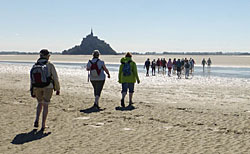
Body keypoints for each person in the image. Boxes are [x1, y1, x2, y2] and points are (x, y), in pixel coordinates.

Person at [30, 49, 60, 131]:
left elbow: (32, 79)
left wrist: (32, 90)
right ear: (47, 56)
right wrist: (57, 88)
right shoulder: (49, 65)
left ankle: (36, 119)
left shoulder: (35, 65)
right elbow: (55, 77)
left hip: (36, 87)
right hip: (48, 86)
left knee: (39, 103)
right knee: (46, 104)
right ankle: (43, 124)